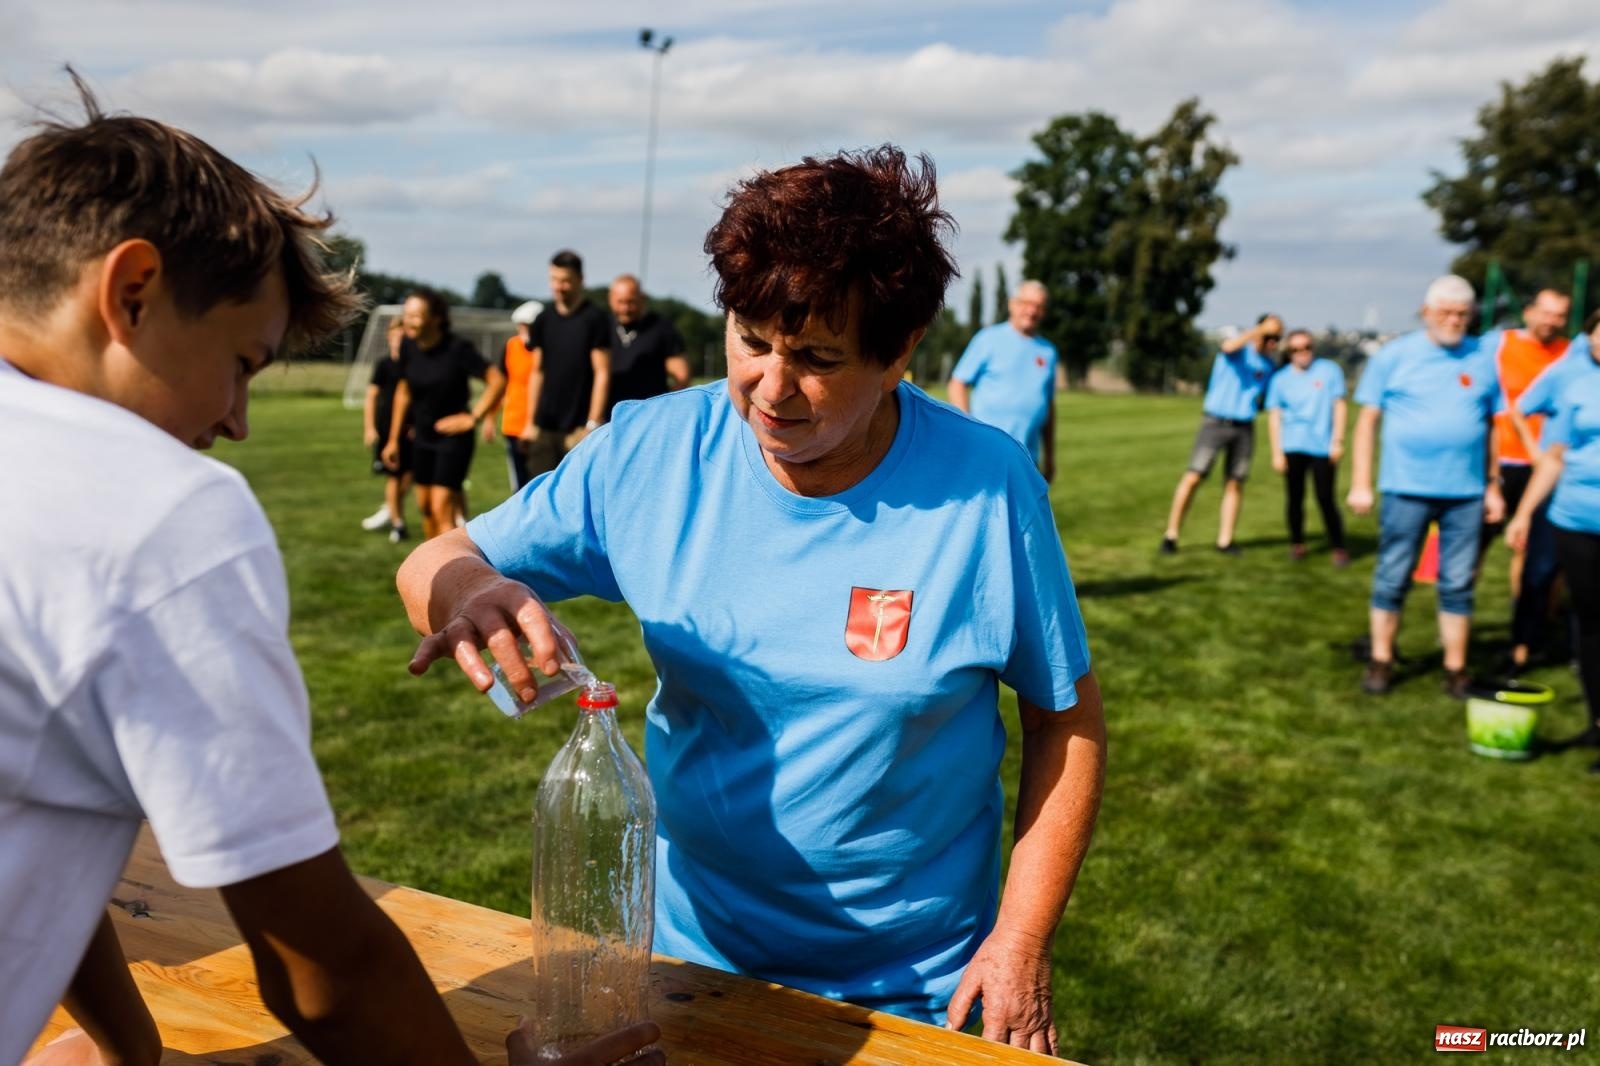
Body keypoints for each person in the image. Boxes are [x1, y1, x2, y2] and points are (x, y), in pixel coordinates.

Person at [0, 75, 658, 1066]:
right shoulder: (155, 508)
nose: (237, 419)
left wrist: (134, 1053)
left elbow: (40, 808)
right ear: (131, 293)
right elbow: (322, 963)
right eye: (242, 362)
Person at [396, 146, 1105, 1055]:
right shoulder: (652, 450)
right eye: (751, 339)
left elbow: (1067, 722)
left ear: (899, 355)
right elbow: (436, 558)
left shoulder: (986, 486)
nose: (771, 388)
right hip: (691, 968)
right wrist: (473, 587)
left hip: (917, 985)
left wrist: (1020, 941)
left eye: (816, 357)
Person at [1347, 275, 1505, 698]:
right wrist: (1361, 482)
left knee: (1457, 583)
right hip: (1406, 487)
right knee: (1392, 576)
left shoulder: (1483, 358)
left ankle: (1456, 669)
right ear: (1427, 312)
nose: (1454, 321)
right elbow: (1367, 421)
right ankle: (1381, 658)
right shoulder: (1395, 356)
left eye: (1462, 314)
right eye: (1446, 313)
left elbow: (1492, 426)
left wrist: (1493, 484)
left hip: (1466, 494)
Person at [1507, 309, 1600, 766]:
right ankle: (1597, 722)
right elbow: (1554, 457)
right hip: (1575, 519)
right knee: (1589, 620)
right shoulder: (1575, 385)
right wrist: (1524, 514)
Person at [1490, 289, 1572, 671]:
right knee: (1477, 543)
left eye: (1560, 315)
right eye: (1546, 313)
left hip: (1551, 467)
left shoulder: (1571, 353)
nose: (1551, 321)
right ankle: (1456, 614)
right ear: (1528, 311)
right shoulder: (1499, 344)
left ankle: (1535, 623)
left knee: (1535, 551)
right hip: (1503, 461)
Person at [381, 288, 504, 539]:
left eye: (416, 315)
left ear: (436, 318)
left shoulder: (458, 349)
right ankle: (434, 570)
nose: (408, 321)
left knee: (442, 507)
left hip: (453, 440)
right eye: (406, 314)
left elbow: (497, 379)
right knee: (425, 507)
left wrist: (473, 417)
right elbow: (403, 392)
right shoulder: (407, 346)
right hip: (422, 436)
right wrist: (393, 439)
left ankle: (454, 573)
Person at [1160, 314, 1281, 555]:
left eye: (1277, 338)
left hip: (1244, 425)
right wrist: (1256, 330)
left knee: (1235, 482)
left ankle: (1225, 540)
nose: (1273, 343)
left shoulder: (1269, 366)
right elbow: (1227, 346)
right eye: (1269, 336)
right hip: (1215, 421)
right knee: (1194, 476)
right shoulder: (1238, 350)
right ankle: (1171, 535)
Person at [947, 280, 1058, 481]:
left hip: (1027, 459)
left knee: (1024, 513)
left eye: (1038, 306)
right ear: (1012, 304)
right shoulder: (988, 339)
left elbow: (1048, 405)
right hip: (985, 453)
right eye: (1026, 303)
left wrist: (1050, 457)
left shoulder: (1048, 351)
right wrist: (969, 429)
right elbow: (957, 383)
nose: (1031, 311)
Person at [521, 250, 611, 478]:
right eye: (554, 279)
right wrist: (530, 423)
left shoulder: (595, 319)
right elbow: (537, 372)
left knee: (576, 500)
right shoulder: (543, 319)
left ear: (580, 280)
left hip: (578, 429)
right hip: (544, 427)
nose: (558, 286)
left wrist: (592, 424)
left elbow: (602, 372)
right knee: (538, 497)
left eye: (565, 281)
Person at [1265, 330, 1348, 564]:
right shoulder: (1280, 379)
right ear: (1289, 352)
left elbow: (1339, 406)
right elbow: (1274, 417)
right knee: (1294, 498)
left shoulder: (1330, 371)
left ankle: (1338, 546)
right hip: (1293, 445)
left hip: (1322, 445)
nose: (1302, 353)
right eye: (1296, 349)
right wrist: (1277, 452)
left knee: (1325, 498)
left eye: (1306, 347)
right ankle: (1297, 543)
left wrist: (1338, 441)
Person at [605, 274, 690, 419]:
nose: (625, 308)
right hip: (607, 418)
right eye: (620, 302)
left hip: (648, 417)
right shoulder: (602, 327)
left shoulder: (662, 328)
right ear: (610, 299)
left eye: (631, 302)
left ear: (642, 298)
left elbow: (681, 376)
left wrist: (663, 408)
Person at [362, 316, 413, 542]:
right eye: (395, 337)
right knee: (393, 476)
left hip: (410, 430)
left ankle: (390, 508)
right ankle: (397, 523)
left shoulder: (413, 365)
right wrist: (370, 427)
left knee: (409, 476)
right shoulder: (384, 365)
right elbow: (371, 397)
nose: (398, 341)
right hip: (385, 427)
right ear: (389, 338)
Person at [490, 299, 544, 492]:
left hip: (540, 426)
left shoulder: (546, 348)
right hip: (513, 423)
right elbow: (500, 383)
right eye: (521, 325)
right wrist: (490, 417)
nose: (524, 330)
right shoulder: (511, 346)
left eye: (528, 326)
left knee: (541, 481)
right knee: (519, 485)